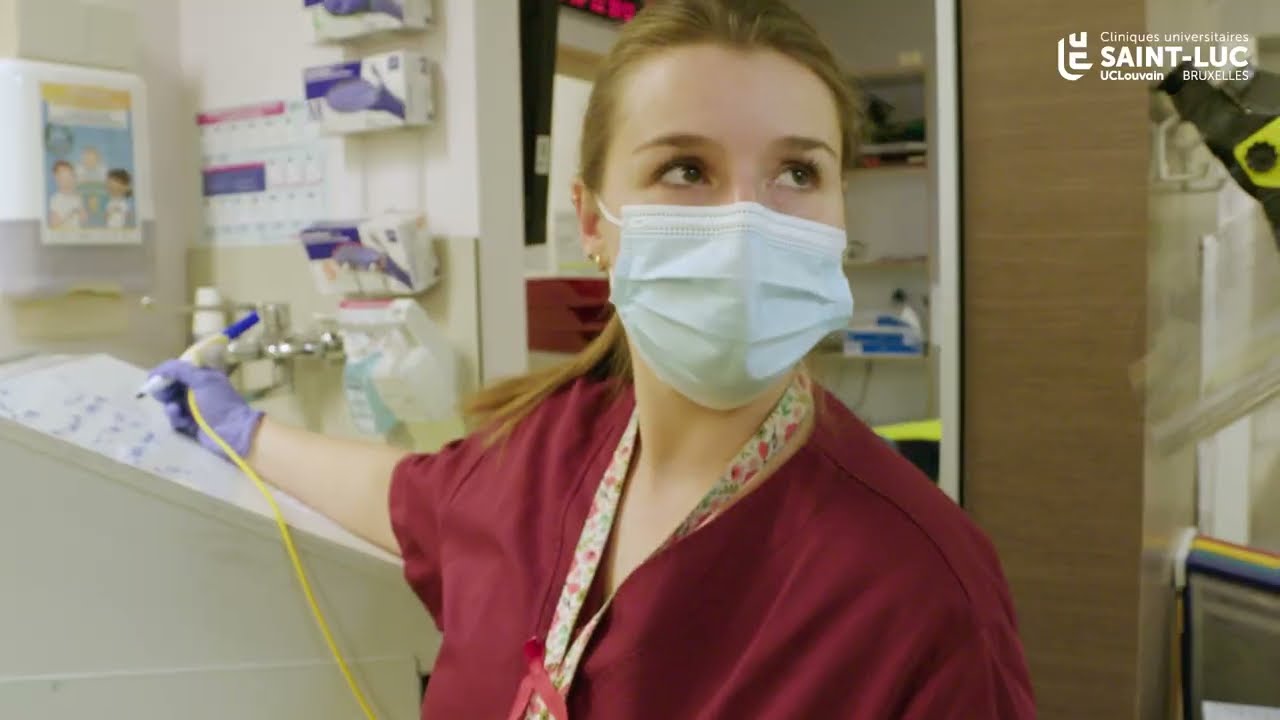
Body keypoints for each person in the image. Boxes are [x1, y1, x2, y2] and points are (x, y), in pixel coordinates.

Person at [148, 0, 1036, 717]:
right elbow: (408, 496)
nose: (745, 223)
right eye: (686, 169)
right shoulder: (540, 457)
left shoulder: (924, 591)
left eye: (797, 173)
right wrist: (242, 428)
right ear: (590, 222)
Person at [48, 161, 85, 229]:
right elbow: (53, 223)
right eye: (63, 178)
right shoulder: (55, 199)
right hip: (62, 234)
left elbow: (83, 219)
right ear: (57, 180)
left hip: (76, 233)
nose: (67, 181)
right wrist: (70, 215)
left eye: (70, 176)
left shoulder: (77, 198)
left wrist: (82, 214)